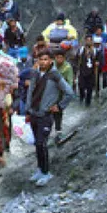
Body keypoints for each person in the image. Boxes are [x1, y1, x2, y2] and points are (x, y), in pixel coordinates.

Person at [26, 51, 74, 187]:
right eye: (40, 59)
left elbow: (69, 92)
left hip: (45, 115)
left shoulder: (55, 75)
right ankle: (40, 169)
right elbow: (30, 92)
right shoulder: (35, 73)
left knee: (42, 143)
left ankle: (47, 173)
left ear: (51, 60)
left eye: (46, 59)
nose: (43, 62)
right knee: (37, 144)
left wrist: (59, 106)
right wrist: (28, 110)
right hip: (34, 113)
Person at [53, 51, 75, 140]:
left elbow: (69, 82)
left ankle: (58, 131)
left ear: (64, 58)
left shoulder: (67, 67)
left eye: (61, 58)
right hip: (51, 92)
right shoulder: (52, 65)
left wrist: (66, 90)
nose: (59, 60)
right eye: (57, 57)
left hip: (61, 93)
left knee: (58, 111)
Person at [77, 35, 100, 107]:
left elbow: (98, 59)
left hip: (91, 72)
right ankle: (81, 98)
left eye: (90, 40)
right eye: (87, 40)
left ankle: (88, 103)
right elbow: (77, 58)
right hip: (83, 71)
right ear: (85, 41)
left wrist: (97, 62)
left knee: (90, 88)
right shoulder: (81, 49)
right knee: (81, 86)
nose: (89, 41)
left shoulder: (95, 50)